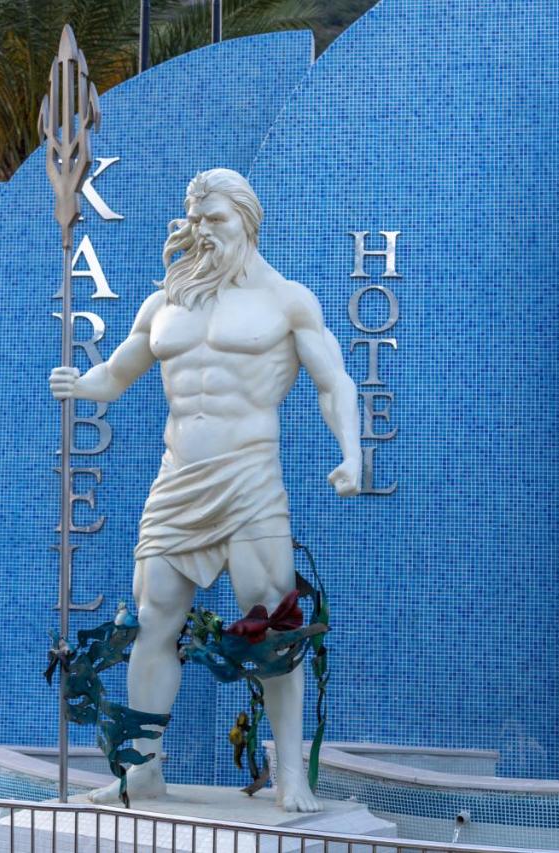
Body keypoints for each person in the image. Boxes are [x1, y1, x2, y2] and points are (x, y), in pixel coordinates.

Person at [50, 168, 361, 812]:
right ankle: (142, 771)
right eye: (195, 220)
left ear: (247, 220)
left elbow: (334, 383)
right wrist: (81, 384)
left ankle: (291, 775)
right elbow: (118, 373)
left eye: (215, 219)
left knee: (273, 627)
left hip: (250, 480)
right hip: (177, 482)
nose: (203, 231)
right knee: (152, 622)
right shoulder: (164, 303)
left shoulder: (287, 301)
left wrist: (352, 454)